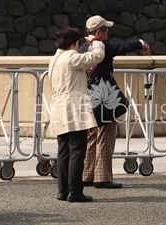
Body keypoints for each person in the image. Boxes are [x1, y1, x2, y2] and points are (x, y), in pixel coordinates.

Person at [79, 15, 151, 189]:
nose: (108, 32)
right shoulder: (102, 47)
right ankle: (102, 177)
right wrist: (142, 43)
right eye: (105, 30)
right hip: (104, 96)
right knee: (106, 134)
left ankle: (87, 175)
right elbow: (123, 47)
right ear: (98, 32)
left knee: (91, 136)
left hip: (85, 96)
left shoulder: (82, 48)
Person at [49, 26, 105, 202]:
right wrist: (96, 43)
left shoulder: (55, 59)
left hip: (58, 107)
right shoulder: (72, 56)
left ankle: (63, 190)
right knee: (77, 151)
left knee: (63, 151)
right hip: (74, 108)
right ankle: (75, 191)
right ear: (73, 43)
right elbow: (97, 57)